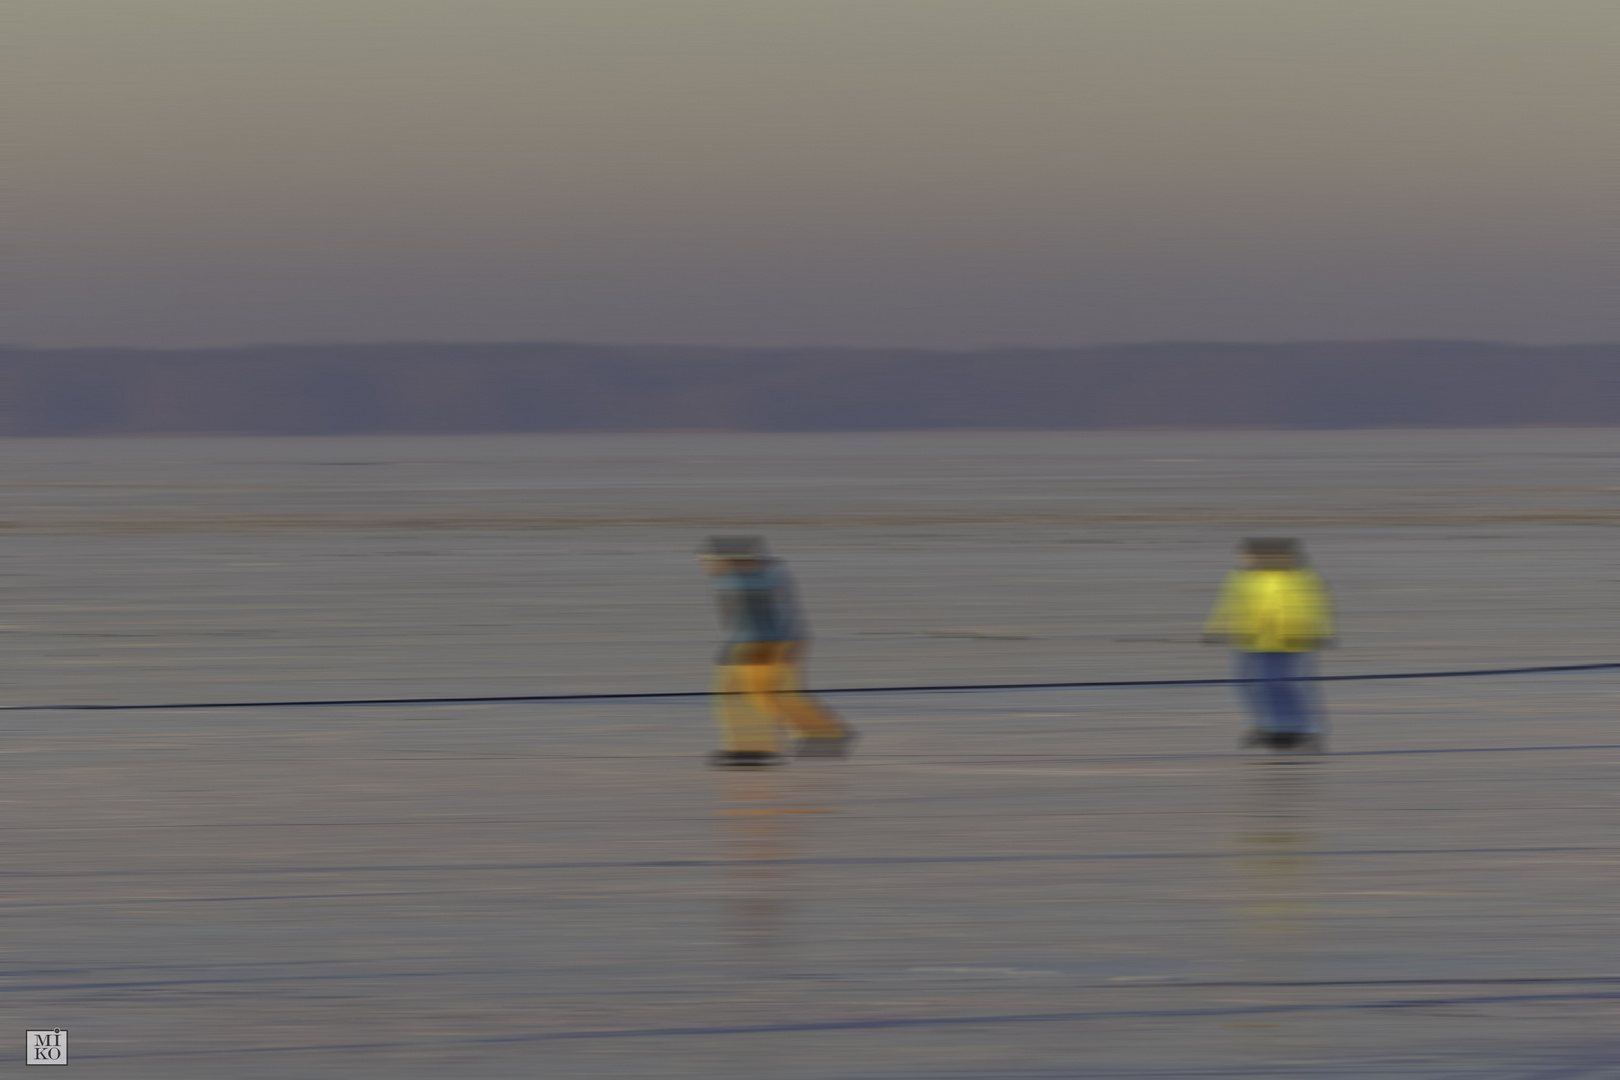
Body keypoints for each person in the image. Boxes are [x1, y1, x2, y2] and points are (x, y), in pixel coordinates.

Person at [700, 537, 857, 767]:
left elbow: (781, 614)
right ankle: (752, 746)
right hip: (749, 643)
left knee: (766, 695)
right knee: (735, 694)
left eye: (712, 558)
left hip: (768, 643)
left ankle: (823, 736)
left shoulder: (760, 577)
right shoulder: (730, 578)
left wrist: (787, 646)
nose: (707, 564)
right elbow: (734, 617)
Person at [1203, 538, 1334, 751]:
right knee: (1250, 683)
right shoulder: (1242, 577)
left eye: (1248, 556)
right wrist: (1215, 629)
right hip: (1251, 640)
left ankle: (1306, 729)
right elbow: (1228, 604)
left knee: (1285, 685)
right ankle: (1272, 725)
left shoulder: (1293, 577)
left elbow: (1313, 607)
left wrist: (1318, 633)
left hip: (1286, 640)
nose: (1244, 560)